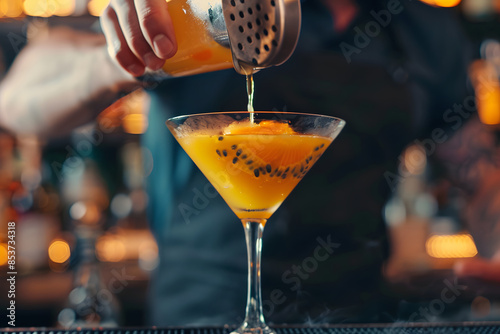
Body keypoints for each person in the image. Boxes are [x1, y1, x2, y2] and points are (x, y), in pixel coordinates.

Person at [0, 0, 498, 326]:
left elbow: (480, 177)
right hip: (199, 313)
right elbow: (16, 100)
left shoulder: (423, 29)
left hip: (355, 312)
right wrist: (117, 58)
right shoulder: (203, 13)